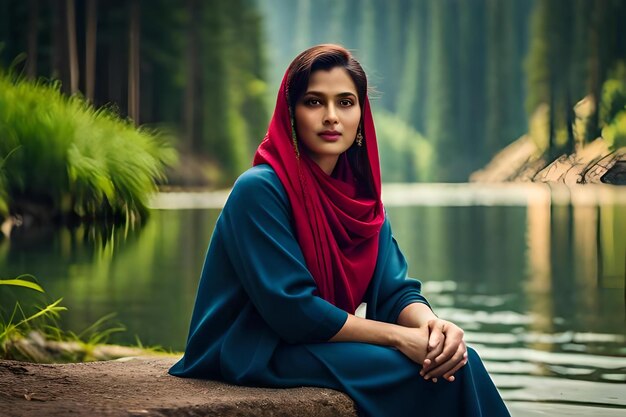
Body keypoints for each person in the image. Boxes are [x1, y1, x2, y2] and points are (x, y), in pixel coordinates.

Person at [169, 44, 510, 417]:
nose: (331, 116)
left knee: (461, 361)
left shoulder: (361, 199)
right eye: (314, 102)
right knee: (436, 375)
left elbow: (395, 292)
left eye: (345, 103)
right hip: (248, 348)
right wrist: (400, 339)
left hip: (310, 344)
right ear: (290, 113)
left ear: (362, 116)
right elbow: (294, 309)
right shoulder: (259, 190)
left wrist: (433, 328)